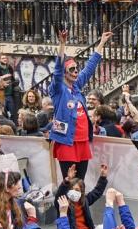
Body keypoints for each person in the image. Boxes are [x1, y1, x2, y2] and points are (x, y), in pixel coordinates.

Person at [48, 30, 112, 179]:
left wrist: (102, 42)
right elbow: (57, 71)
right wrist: (62, 44)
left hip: (82, 141)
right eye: (72, 69)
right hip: (67, 141)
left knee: (80, 182)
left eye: (76, 69)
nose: (76, 72)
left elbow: (89, 68)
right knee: (70, 181)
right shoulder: (58, 89)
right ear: (65, 73)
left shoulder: (76, 87)